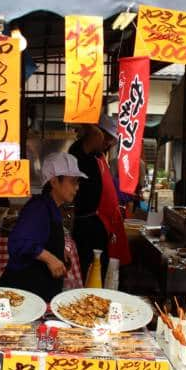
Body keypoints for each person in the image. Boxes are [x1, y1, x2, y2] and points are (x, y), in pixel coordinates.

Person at [0, 153, 87, 301]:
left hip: (38, 293)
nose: (77, 187)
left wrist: (59, 251)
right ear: (54, 182)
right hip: (23, 295)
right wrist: (50, 258)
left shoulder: (52, 207)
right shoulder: (38, 208)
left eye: (77, 182)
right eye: (73, 182)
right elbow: (18, 242)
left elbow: (43, 238)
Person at [70, 114, 131, 278]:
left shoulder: (99, 155)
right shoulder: (79, 151)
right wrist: (85, 115)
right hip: (88, 226)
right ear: (95, 133)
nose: (109, 143)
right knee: (89, 270)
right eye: (107, 138)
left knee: (102, 270)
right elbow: (96, 135)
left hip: (102, 226)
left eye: (112, 139)